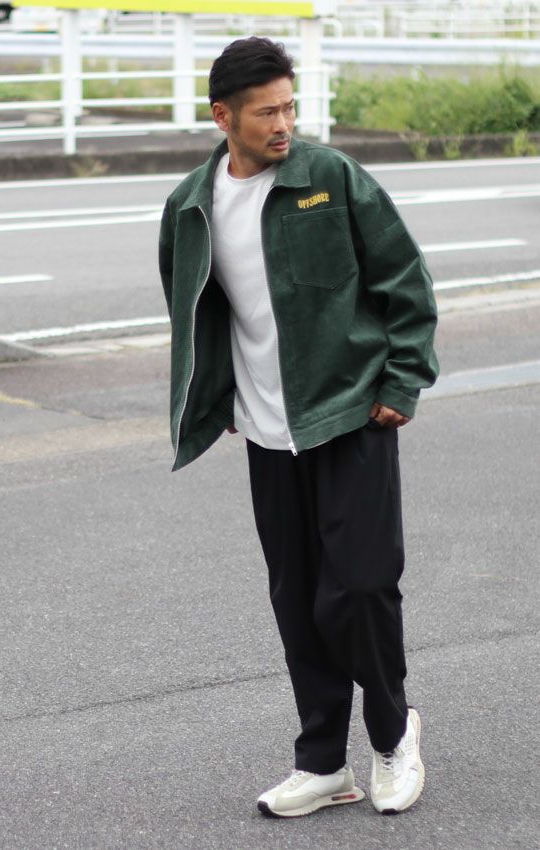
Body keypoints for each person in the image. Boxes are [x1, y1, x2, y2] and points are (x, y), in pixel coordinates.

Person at [158, 36, 438, 818]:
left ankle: (393, 736)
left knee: (361, 588)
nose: (284, 123)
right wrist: (218, 398)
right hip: (267, 430)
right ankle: (322, 763)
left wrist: (402, 380)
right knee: (298, 598)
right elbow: (194, 311)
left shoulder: (331, 178)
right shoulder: (191, 207)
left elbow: (406, 282)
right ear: (223, 117)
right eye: (266, 112)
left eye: (290, 106)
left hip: (351, 414)